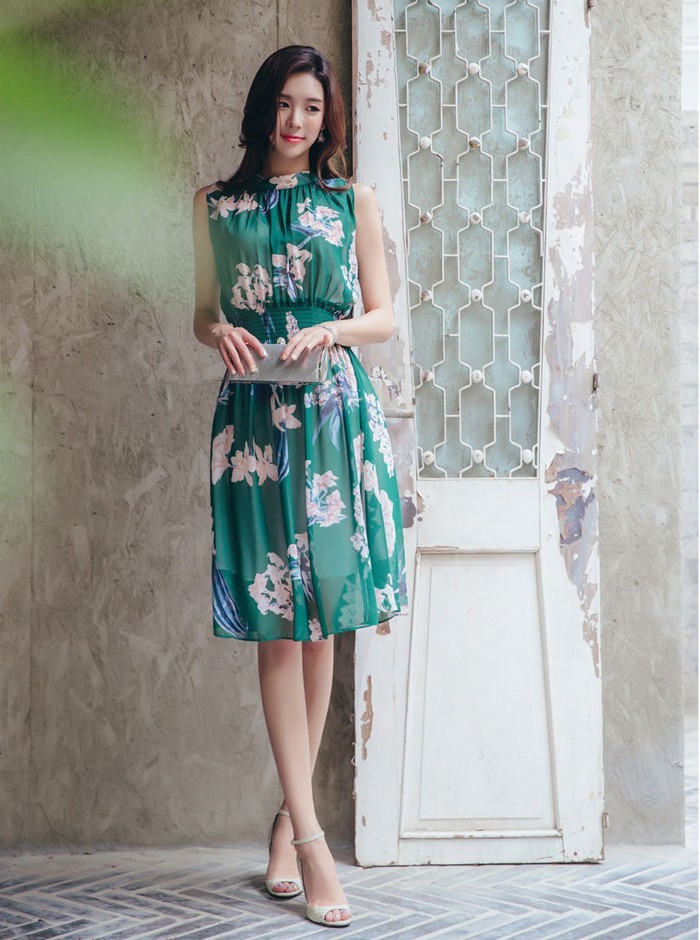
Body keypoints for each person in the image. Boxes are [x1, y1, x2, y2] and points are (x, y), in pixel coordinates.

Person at [192, 44, 408, 928]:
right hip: (253, 425)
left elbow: (384, 317)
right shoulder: (215, 205)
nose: (296, 121)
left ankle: (290, 821)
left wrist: (333, 330)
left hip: (334, 418)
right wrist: (217, 333)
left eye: (312, 107)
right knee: (278, 626)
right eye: (285, 103)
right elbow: (202, 310)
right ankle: (315, 846)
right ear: (263, 108)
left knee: (323, 628)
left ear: (328, 120)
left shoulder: (351, 201)